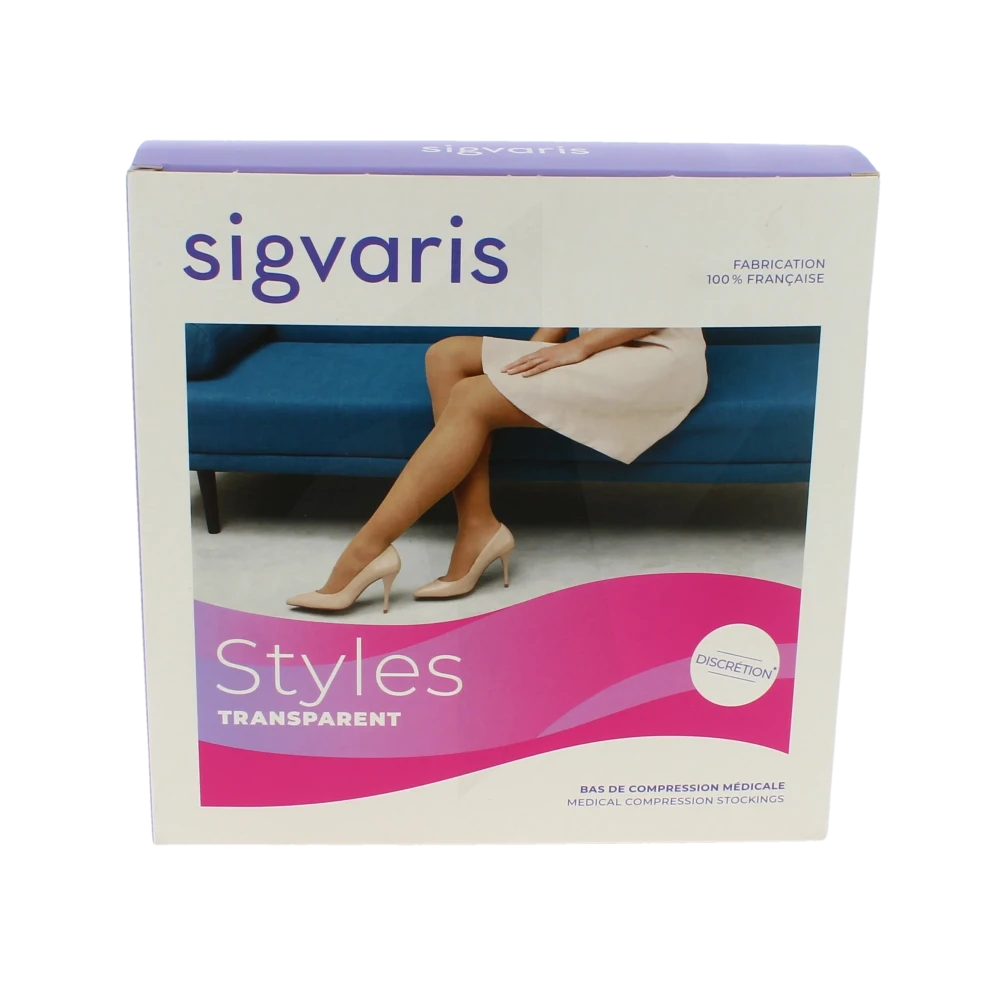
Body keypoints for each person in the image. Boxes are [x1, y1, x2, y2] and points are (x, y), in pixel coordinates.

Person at [286, 326, 708, 612]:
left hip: (654, 358)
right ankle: (477, 528)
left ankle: (366, 551)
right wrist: (526, 364)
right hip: (602, 347)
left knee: (472, 397)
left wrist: (578, 348)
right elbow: (571, 296)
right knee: (446, 355)